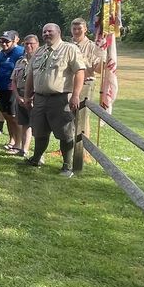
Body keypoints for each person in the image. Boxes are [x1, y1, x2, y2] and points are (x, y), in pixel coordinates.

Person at [23, 23, 86, 177]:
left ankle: (67, 165)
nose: (46, 34)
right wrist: (27, 95)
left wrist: (76, 95)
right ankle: (36, 158)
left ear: (58, 32)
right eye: (44, 32)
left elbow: (79, 72)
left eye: (50, 31)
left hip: (60, 98)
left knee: (65, 133)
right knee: (39, 130)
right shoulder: (39, 51)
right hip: (40, 99)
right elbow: (31, 74)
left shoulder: (69, 49)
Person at [70, 18, 105, 145]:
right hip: (68, 84)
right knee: (68, 116)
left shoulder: (92, 47)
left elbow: (98, 69)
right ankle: (67, 145)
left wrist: (104, 58)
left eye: (79, 28)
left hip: (85, 85)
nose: (76, 31)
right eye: (74, 29)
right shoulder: (67, 45)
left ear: (85, 29)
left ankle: (83, 149)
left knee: (83, 116)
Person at [0, 31, 25, 152]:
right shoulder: (1, 54)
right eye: (2, 41)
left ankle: (18, 143)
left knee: (14, 117)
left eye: (7, 41)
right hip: (1, 88)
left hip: (13, 89)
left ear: (14, 41)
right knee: (6, 115)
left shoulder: (20, 52)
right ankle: (12, 140)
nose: (4, 44)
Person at [11, 35, 39, 158]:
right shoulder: (20, 61)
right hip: (20, 95)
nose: (28, 46)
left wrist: (31, 97)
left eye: (31, 43)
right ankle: (24, 149)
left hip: (34, 96)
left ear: (37, 44)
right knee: (24, 124)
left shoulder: (40, 61)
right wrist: (17, 96)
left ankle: (38, 153)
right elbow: (14, 80)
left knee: (37, 125)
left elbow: (40, 81)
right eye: (26, 44)